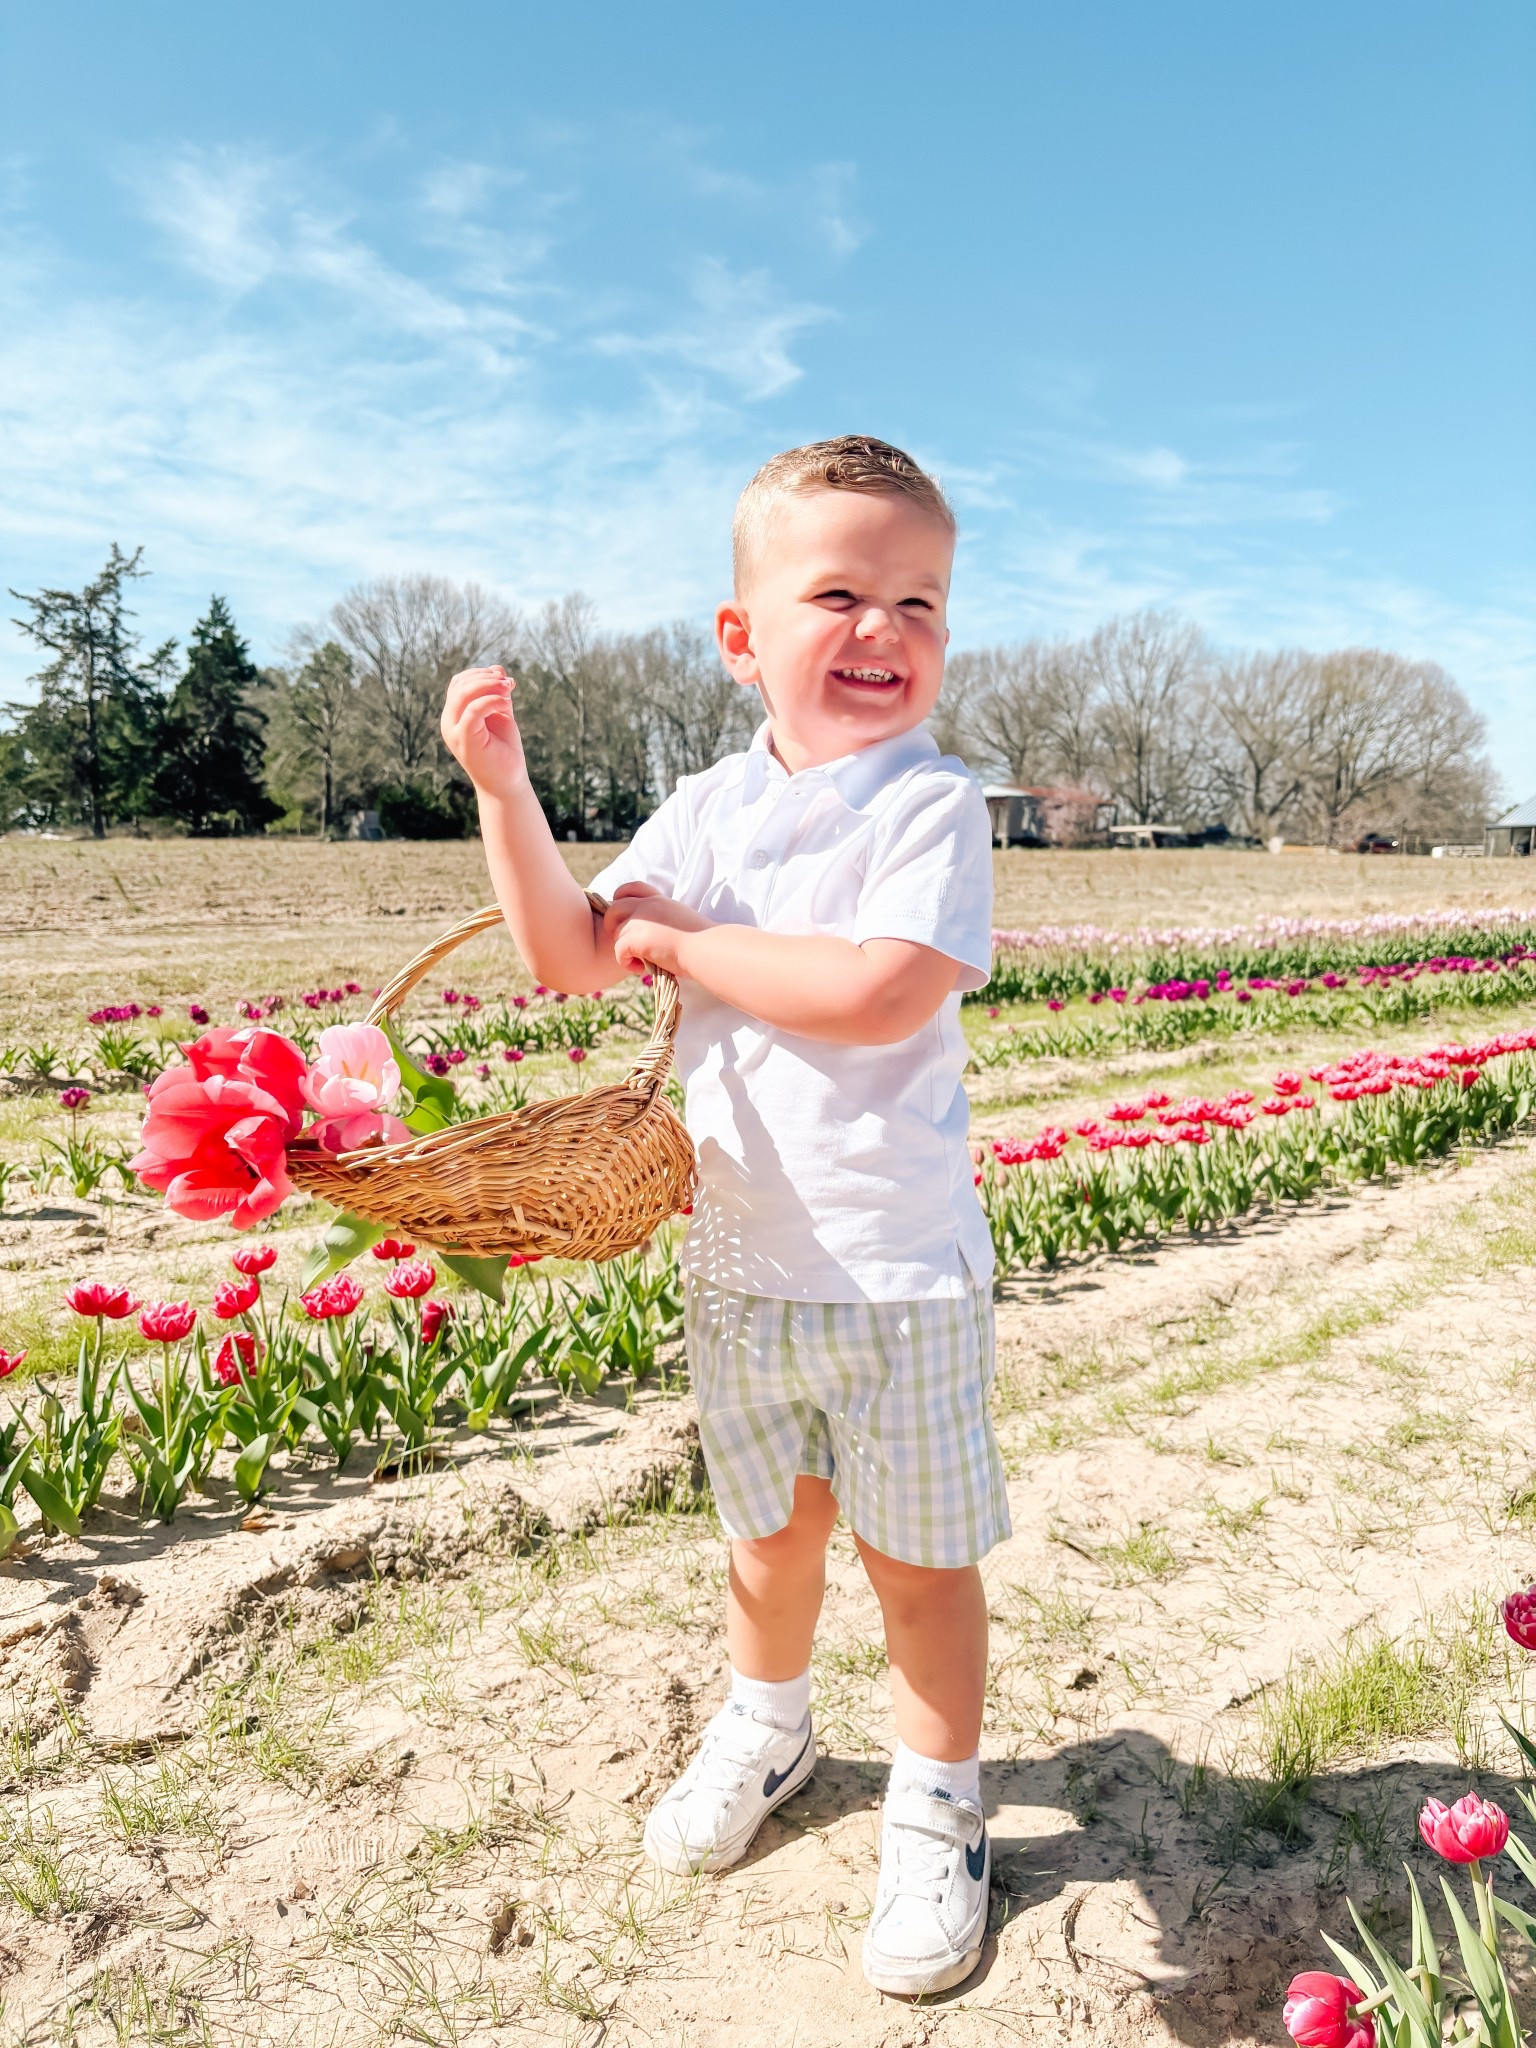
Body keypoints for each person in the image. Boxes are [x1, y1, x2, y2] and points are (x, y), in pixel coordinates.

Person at [440, 435, 1007, 1998]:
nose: (887, 627)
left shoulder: (931, 808)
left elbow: (877, 994)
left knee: (918, 1564)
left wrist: (685, 951)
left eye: (923, 601)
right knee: (768, 1540)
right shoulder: (701, 809)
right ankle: (768, 1728)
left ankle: (936, 1803)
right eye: (842, 592)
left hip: (896, 1269)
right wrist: (508, 795)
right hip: (744, 1261)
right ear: (741, 635)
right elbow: (571, 953)